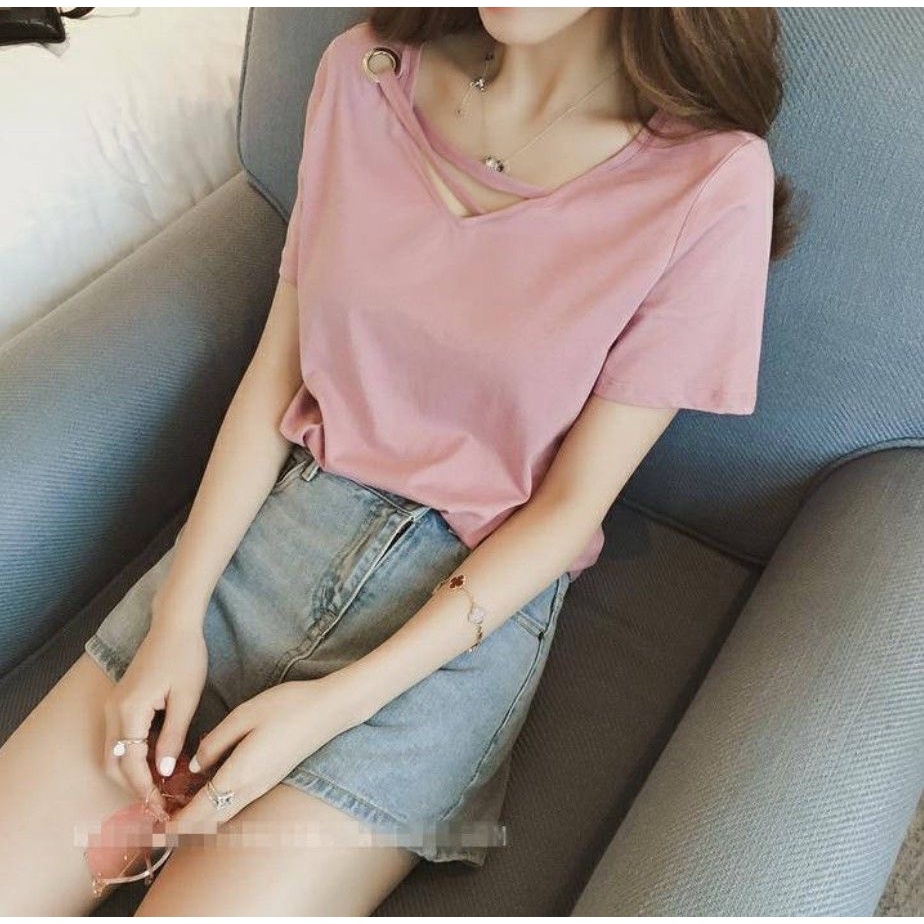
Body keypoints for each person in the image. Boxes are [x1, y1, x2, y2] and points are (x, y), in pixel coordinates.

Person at [0, 7, 800, 916]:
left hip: (449, 634)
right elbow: (275, 378)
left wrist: (334, 706)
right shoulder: (363, 74)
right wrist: (175, 618)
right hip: (265, 541)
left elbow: (570, 510)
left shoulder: (711, 182)